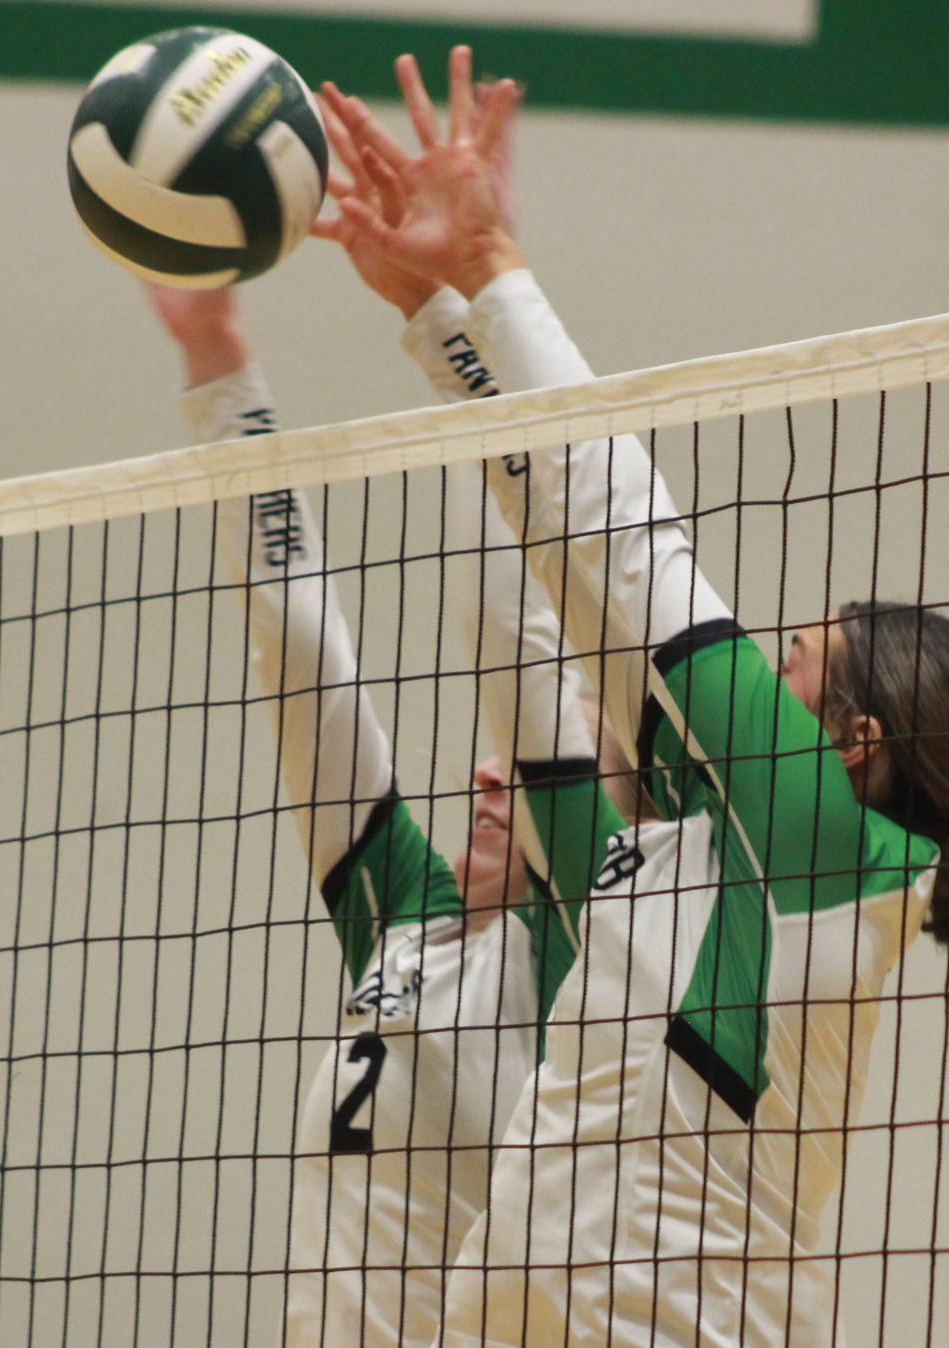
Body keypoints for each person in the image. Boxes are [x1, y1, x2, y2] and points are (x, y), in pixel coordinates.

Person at [320, 48, 949, 1346]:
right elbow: (557, 574)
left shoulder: (830, 850)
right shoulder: (700, 842)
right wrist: (445, 319)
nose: (762, 654)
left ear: (853, 739)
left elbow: (631, 535)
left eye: (795, 657)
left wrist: (499, 266)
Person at [143, 221, 641, 1340]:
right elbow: (302, 656)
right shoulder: (399, 918)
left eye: (538, 767)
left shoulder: (581, 952)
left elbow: (510, 635)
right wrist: (222, 366)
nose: (489, 770)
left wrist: (450, 317)